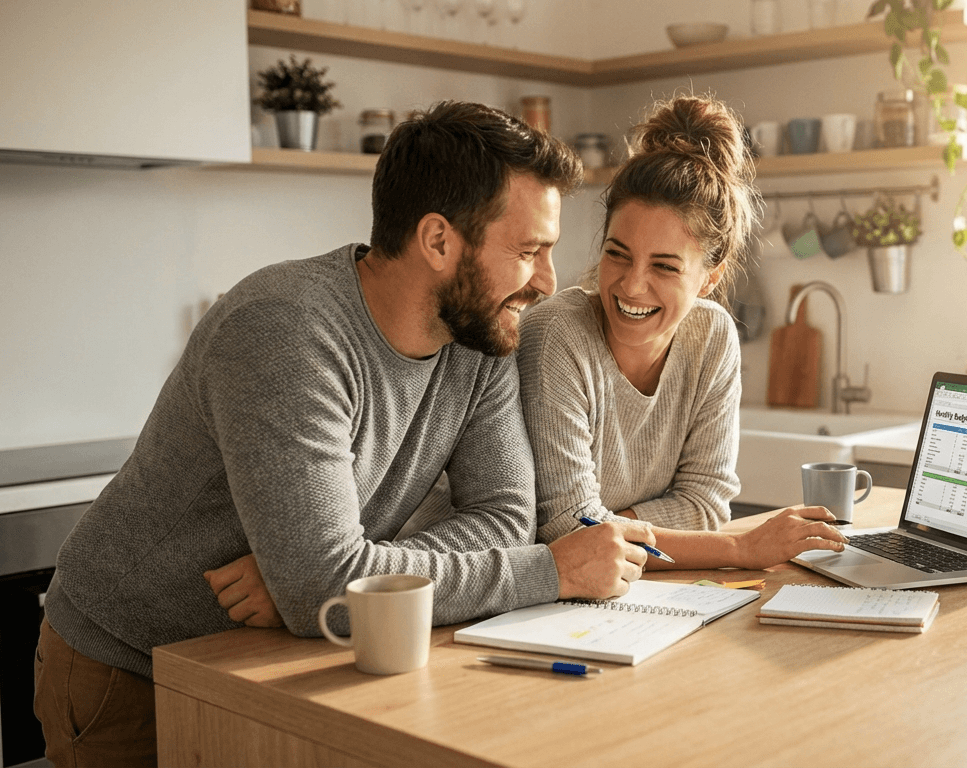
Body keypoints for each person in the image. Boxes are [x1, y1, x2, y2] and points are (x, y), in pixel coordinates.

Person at [33, 101, 654, 768]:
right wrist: (549, 570)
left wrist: (347, 574)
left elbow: (502, 517)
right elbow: (327, 585)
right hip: (129, 668)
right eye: (530, 251)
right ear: (438, 240)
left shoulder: (480, 339)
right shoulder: (286, 332)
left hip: (277, 660)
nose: (548, 282)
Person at [517, 95, 849, 567]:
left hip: (631, 588)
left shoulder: (711, 336)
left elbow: (706, 504)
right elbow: (571, 529)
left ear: (709, 278)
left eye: (665, 266)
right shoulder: (558, 335)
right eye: (617, 253)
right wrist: (739, 548)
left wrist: (612, 531)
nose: (631, 284)